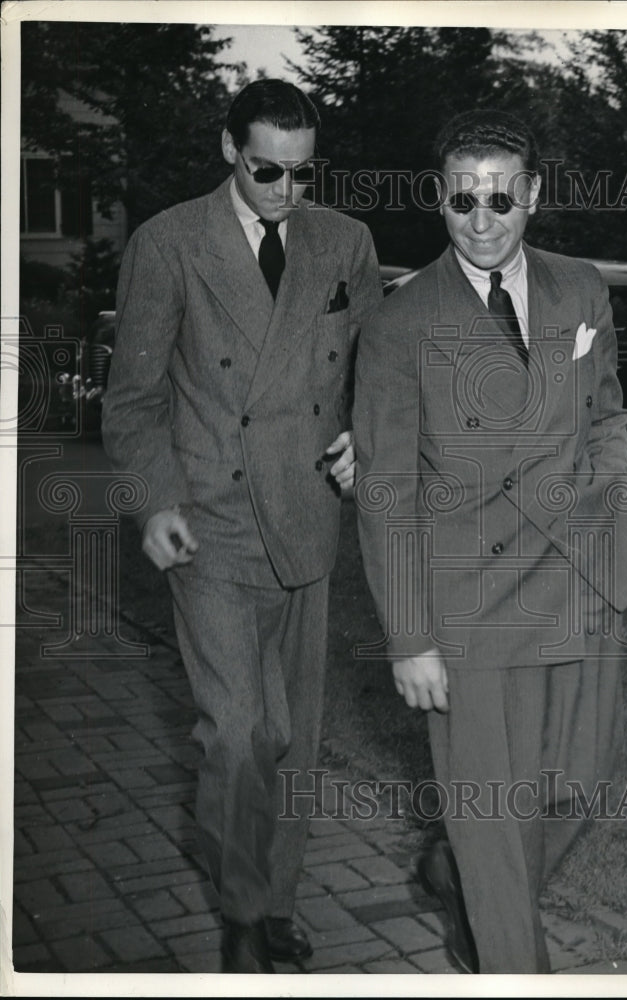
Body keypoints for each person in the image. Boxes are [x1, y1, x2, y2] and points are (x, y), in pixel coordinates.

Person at [353, 109, 627, 974]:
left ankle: (453, 872)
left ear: (533, 196)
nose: (480, 222)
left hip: (582, 580)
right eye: (460, 202)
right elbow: (384, 492)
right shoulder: (400, 323)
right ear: (439, 201)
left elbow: (607, 412)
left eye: (500, 201)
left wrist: (616, 505)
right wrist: (409, 637)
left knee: (575, 788)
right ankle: (508, 956)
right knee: (492, 815)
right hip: (467, 603)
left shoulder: (579, 288)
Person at [102, 79, 382, 974]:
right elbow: (134, 399)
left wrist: (363, 442)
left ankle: (279, 901)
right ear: (230, 149)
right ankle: (238, 901)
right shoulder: (169, 243)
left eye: (303, 173)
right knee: (240, 730)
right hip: (211, 523)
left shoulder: (345, 243)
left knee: (293, 733)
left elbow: (379, 373)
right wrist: (156, 503)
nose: (286, 190)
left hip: (306, 519)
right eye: (267, 169)